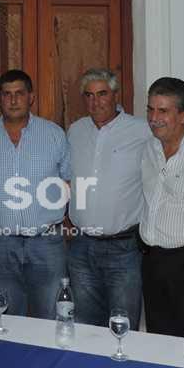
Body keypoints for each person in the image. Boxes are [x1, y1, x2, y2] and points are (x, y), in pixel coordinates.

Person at [0, 69, 70, 319]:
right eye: (7, 94)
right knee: (8, 317)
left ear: (31, 97)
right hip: (1, 244)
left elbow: (68, 182)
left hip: (47, 244)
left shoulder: (54, 135)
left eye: (19, 93)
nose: (13, 100)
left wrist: (64, 222)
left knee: (50, 316)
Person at [66, 68, 150, 329]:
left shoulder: (141, 130)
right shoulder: (75, 131)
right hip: (81, 247)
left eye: (102, 94)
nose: (96, 102)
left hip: (123, 249)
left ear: (115, 95)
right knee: (85, 327)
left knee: (122, 326)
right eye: (89, 95)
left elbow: (176, 137)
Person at [140, 77, 184, 338]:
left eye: (163, 111)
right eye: (150, 109)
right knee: (159, 341)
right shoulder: (148, 148)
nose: (153, 118)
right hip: (152, 261)